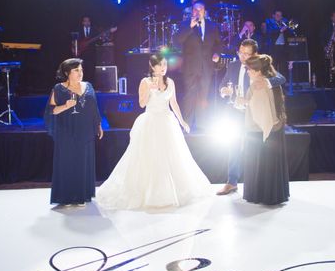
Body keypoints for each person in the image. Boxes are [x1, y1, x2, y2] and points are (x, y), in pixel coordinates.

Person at [96, 54, 212, 209]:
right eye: (160, 65)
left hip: (167, 122)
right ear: (152, 66)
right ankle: (148, 193)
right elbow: (142, 104)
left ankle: (173, 192)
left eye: (165, 65)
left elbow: (174, 103)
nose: (163, 68)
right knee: (149, 156)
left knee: (172, 156)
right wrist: (149, 90)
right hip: (150, 121)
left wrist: (182, 121)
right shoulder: (145, 82)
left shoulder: (170, 82)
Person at [217, 39, 286, 195]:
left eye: (247, 54)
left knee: (254, 148)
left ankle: (255, 185)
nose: (243, 56)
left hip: (254, 114)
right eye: (241, 52)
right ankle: (232, 182)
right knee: (233, 145)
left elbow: (281, 78)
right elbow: (222, 84)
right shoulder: (233, 65)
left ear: (255, 54)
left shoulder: (259, 65)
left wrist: (267, 82)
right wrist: (223, 91)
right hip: (236, 112)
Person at [44, 58, 103, 207]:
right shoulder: (59, 88)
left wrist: (98, 125)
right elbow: (52, 111)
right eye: (76, 70)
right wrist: (65, 106)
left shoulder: (88, 86)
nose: (80, 73)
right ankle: (67, 197)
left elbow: (94, 109)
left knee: (83, 162)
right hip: (67, 131)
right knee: (67, 163)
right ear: (67, 73)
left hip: (85, 130)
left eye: (81, 70)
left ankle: (82, 195)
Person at [241, 54, 289, 205]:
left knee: (263, 163)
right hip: (272, 126)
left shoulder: (263, 82)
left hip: (263, 129)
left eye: (249, 68)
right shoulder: (264, 77)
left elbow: (260, 111)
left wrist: (244, 102)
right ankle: (272, 195)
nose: (247, 70)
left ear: (256, 70)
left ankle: (263, 195)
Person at [174, 1, 221, 130]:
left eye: (201, 9)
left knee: (203, 96)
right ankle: (186, 125)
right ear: (192, 11)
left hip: (206, 67)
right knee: (189, 95)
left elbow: (218, 43)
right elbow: (177, 42)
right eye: (195, 9)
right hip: (190, 67)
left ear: (204, 12)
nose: (198, 12)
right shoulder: (184, 25)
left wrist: (217, 53)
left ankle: (201, 126)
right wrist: (190, 27)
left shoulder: (212, 26)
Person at [264, 10, 293, 75]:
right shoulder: (269, 22)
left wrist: (289, 26)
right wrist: (281, 29)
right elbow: (270, 32)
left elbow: (291, 33)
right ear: (273, 15)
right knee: (273, 69)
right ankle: (274, 85)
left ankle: (283, 85)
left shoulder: (284, 23)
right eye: (277, 15)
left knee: (283, 70)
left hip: (283, 49)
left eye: (280, 15)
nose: (279, 16)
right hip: (274, 49)